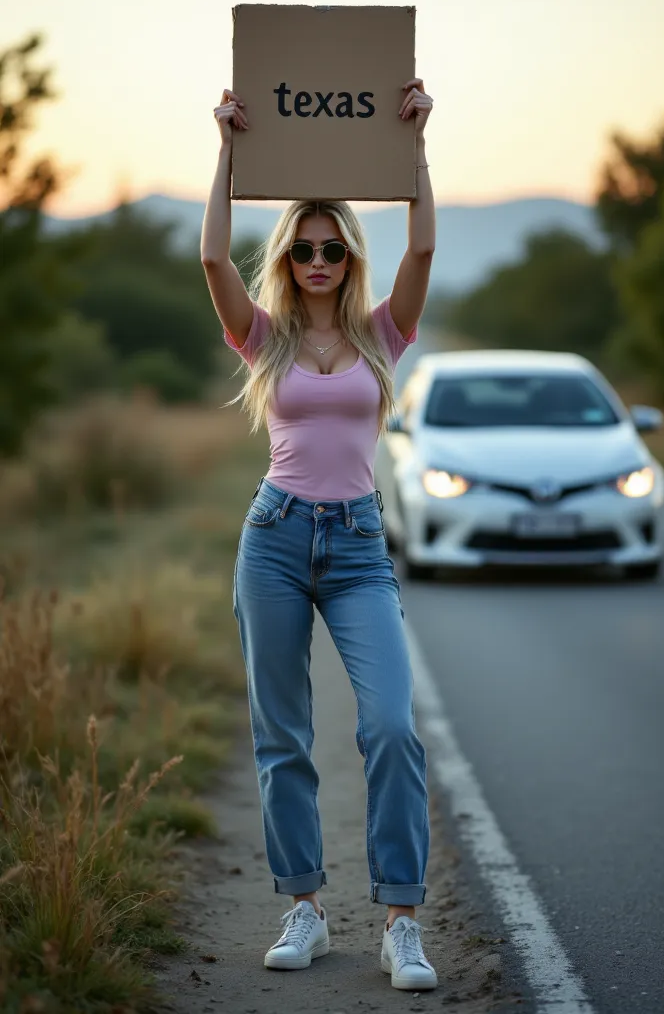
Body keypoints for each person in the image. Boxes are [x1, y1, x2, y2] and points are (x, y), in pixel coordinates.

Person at [200, 77, 437, 992]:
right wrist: (225, 146)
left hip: (357, 548)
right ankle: (303, 906)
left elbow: (423, 241)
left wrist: (416, 139)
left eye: (332, 248)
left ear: (350, 255)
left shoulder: (385, 335)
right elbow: (214, 259)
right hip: (274, 538)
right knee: (282, 735)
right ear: (289, 257)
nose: (318, 260)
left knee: (389, 727)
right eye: (303, 249)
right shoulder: (264, 340)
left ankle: (402, 922)